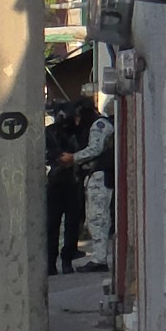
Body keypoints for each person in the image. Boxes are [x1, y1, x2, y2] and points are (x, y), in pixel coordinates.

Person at [61, 98, 116, 273]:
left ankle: (99, 259)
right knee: (96, 218)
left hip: (99, 175)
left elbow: (95, 149)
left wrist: (73, 158)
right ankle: (99, 257)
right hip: (95, 175)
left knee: (98, 218)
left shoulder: (98, 125)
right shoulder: (95, 125)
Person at [46, 103, 83, 275]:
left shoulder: (76, 132)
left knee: (70, 224)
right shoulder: (50, 132)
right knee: (53, 224)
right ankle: (53, 262)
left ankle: (65, 259)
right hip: (56, 181)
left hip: (71, 182)